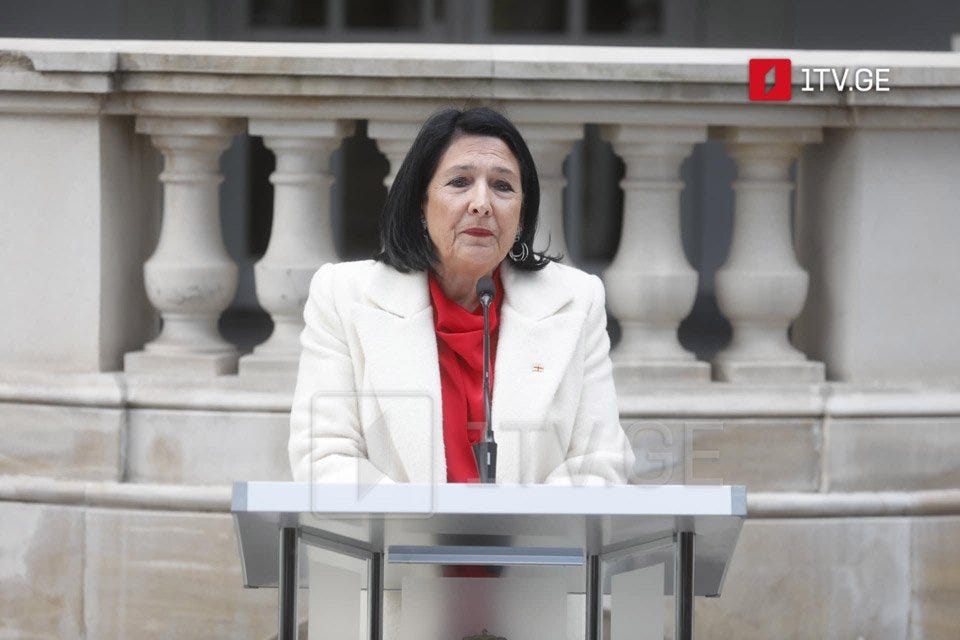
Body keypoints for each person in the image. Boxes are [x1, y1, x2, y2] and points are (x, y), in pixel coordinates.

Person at [288, 106, 635, 486]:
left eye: (503, 186)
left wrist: (517, 534)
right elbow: (323, 456)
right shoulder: (343, 296)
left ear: (521, 215)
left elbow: (601, 462)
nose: (482, 203)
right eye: (459, 182)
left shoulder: (576, 300)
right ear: (420, 202)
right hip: (398, 543)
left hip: (534, 542)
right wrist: (428, 535)